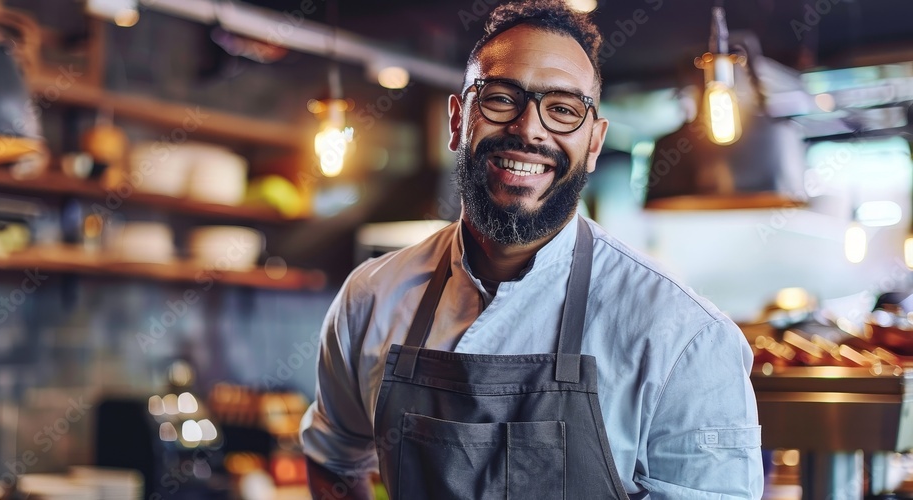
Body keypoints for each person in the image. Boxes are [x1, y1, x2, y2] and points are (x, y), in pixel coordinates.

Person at [299, 1, 764, 498]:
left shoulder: (683, 336)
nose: (529, 128)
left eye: (563, 110)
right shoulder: (371, 298)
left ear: (593, 143)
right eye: (501, 98)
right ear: (458, 121)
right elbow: (335, 461)